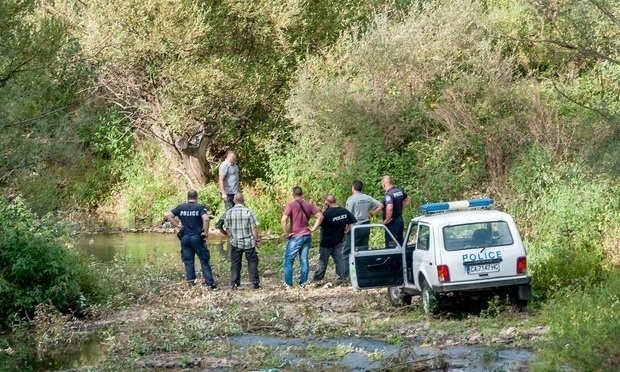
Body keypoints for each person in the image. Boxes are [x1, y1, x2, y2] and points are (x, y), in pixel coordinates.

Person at [164, 190, 217, 289]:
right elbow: (206, 219)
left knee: (188, 261)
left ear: (187, 197)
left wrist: (178, 226)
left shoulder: (181, 207)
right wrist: (205, 232)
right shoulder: (199, 207)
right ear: (196, 197)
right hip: (196, 238)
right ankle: (210, 284)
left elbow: (168, 216)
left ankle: (191, 283)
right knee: (204, 259)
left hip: (185, 238)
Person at [281, 186, 323, 288]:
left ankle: (288, 284)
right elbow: (320, 216)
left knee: (288, 260)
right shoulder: (309, 205)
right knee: (304, 260)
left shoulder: (291, 205)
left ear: (293, 194)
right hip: (306, 235)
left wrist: (286, 233)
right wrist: (313, 228)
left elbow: (283, 220)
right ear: (302, 194)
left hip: (296, 236)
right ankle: (303, 283)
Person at [312, 195, 356, 285]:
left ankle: (317, 280)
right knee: (340, 261)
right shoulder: (344, 211)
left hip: (326, 242)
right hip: (339, 240)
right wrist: (346, 231)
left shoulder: (326, 213)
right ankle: (342, 279)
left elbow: (320, 221)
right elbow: (352, 222)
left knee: (323, 262)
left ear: (327, 203)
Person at [224, 192, 261, 290]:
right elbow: (254, 228)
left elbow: (227, 228)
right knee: (252, 262)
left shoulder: (229, 212)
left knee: (235, 263)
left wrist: (231, 237)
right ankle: (255, 282)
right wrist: (257, 240)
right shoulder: (248, 212)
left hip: (235, 242)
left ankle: (234, 282)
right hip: (248, 242)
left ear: (234, 200)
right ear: (243, 200)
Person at [345, 179, 384, 251]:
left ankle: (348, 262)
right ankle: (363, 262)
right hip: (366, 225)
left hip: (355, 227)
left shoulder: (351, 199)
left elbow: (348, 215)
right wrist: (372, 213)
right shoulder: (367, 197)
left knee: (348, 250)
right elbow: (381, 205)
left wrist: (346, 228)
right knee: (363, 249)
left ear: (353, 187)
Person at [381, 175, 411, 247]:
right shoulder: (399, 191)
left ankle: (392, 258)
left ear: (385, 184)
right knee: (400, 243)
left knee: (391, 245)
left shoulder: (389, 195)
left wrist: (387, 220)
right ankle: (402, 258)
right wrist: (400, 207)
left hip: (392, 222)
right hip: (400, 220)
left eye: (382, 185)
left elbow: (390, 208)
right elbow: (408, 199)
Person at [215, 151, 239, 235]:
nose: (234, 159)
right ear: (229, 157)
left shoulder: (234, 165)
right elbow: (221, 180)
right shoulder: (224, 165)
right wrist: (223, 193)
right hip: (227, 192)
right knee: (230, 211)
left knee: (235, 210)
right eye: (233, 158)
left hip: (235, 192)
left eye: (235, 158)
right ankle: (220, 223)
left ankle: (231, 227)